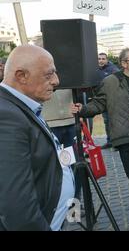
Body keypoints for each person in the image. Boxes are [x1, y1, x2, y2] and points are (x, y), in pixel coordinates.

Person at [71, 48, 129, 230]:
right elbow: (99, 103)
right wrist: (82, 109)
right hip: (124, 137)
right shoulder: (111, 82)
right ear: (123, 63)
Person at [0, 45, 74, 231]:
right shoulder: (6, 116)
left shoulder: (18, 107)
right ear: (21, 76)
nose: (56, 81)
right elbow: (16, 205)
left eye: (55, 73)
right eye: (48, 75)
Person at [97, 53, 119, 149]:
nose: (101, 60)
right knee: (106, 121)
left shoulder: (113, 69)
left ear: (107, 60)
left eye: (103, 59)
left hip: (113, 100)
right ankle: (109, 141)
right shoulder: (96, 70)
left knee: (114, 121)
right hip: (103, 100)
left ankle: (118, 143)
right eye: (99, 59)